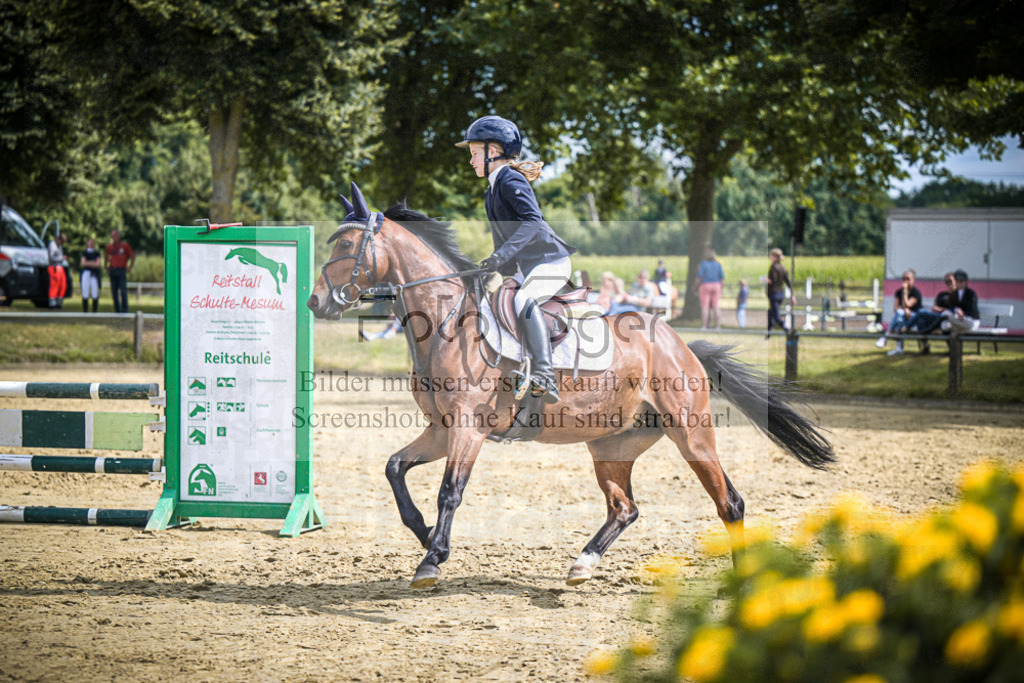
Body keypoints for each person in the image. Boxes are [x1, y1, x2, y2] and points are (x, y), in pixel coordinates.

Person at [457, 115, 576, 404]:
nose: (471, 161)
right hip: (527, 267)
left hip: (549, 261)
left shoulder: (510, 178)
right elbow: (504, 240)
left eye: (474, 154)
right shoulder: (491, 191)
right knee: (492, 303)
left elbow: (532, 222)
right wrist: (492, 268)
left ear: (493, 152)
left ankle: (545, 376)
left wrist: (499, 257)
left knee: (524, 301)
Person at [902, 272, 957, 354]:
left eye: (950, 281)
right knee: (921, 321)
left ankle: (906, 327)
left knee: (920, 312)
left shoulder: (958, 295)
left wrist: (942, 310)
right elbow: (934, 308)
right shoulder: (941, 294)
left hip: (948, 319)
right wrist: (942, 309)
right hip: (938, 317)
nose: (949, 283)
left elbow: (954, 310)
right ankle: (925, 347)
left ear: (956, 281)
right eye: (947, 281)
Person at [875, 269, 923, 355]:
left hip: (914, 319)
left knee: (900, 314)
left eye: (908, 279)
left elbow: (908, 304)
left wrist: (905, 291)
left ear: (913, 280)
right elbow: (895, 308)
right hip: (903, 318)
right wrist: (905, 309)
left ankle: (886, 336)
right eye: (904, 278)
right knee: (900, 318)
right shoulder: (898, 292)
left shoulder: (916, 293)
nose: (905, 281)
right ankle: (898, 348)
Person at [764, 247, 795, 336]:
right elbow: (788, 282)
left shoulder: (773, 267)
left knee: (776, 317)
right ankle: (768, 333)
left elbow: (772, 280)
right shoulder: (782, 268)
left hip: (774, 294)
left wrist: (766, 279)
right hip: (780, 294)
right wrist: (792, 295)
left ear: (774, 257)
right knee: (770, 313)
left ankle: (786, 329)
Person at [104, 229, 135, 313]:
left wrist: (130, 267)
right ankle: (117, 310)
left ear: (119, 236)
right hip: (113, 270)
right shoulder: (109, 247)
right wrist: (106, 265)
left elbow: (132, 256)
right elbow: (106, 256)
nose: (114, 237)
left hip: (121, 270)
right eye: (112, 236)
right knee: (114, 291)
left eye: (115, 236)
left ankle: (125, 310)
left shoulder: (125, 246)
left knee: (123, 290)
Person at [694, 246, 724, 330]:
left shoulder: (703, 264)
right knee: (716, 306)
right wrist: (721, 288)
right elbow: (722, 278)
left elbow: (699, 277)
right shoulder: (718, 264)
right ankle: (718, 326)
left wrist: (695, 287)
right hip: (716, 285)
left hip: (705, 285)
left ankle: (704, 326)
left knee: (705, 307)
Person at [942, 269, 980, 333]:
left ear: (965, 281)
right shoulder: (954, 293)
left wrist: (962, 313)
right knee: (945, 313)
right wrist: (956, 309)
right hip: (959, 321)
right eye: (957, 281)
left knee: (948, 319)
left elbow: (971, 309)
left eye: (961, 281)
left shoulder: (971, 294)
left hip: (971, 321)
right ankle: (948, 328)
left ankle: (948, 327)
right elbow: (950, 306)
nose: (959, 283)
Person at [79, 237, 102, 312]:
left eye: (93, 242)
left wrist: (88, 263)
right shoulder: (84, 253)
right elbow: (83, 263)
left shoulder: (97, 253)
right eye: (90, 242)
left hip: (94, 274)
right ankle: (85, 310)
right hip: (86, 273)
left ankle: (94, 310)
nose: (91, 243)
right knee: (85, 290)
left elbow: (98, 264)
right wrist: (93, 263)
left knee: (94, 291)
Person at [46, 232, 67, 308]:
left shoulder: (59, 246)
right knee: (54, 285)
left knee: (63, 285)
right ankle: (52, 302)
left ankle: (59, 302)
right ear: (58, 239)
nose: (62, 244)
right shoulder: (52, 245)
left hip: (60, 267)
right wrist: (61, 258)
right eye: (62, 242)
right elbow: (51, 258)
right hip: (54, 267)